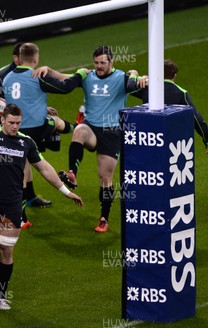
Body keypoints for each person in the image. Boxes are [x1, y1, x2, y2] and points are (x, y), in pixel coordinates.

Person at [0, 104, 83, 310]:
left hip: (13, 203)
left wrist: (66, 191)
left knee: (6, 251)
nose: (14, 127)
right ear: (2, 120)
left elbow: (44, 168)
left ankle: (0, 296)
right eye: (11, 123)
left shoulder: (26, 142)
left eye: (18, 123)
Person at [58, 45, 147, 233]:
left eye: (103, 63)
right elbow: (64, 80)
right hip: (91, 127)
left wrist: (142, 77)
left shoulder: (121, 78)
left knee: (105, 178)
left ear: (111, 62)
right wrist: (48, 71)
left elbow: (137, 86)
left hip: (111, 132)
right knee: (79, 130)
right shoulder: (87, 77)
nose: (99, 66)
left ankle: (104, 218)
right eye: (96, 62)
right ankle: (72, 172)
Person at [2, 42, 87, 226]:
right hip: (36, 129)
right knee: (54, 122)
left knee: (22, 170)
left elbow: (19, 100)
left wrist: (41, 106)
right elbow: (65, 87)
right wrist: (80, 73)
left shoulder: (7, 78)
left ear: (19, 57)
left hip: (15, 131)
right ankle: (76, 127)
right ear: (36, 59)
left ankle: (22, 217)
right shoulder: (36, 75)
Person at [131, 59, 208, 153]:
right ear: (174, 75)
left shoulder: (147, 88)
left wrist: (135, 75)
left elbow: (129, 86)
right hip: (171, 140)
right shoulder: (181, 93)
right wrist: (207, 140)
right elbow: (196, 118)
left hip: (149, 137)